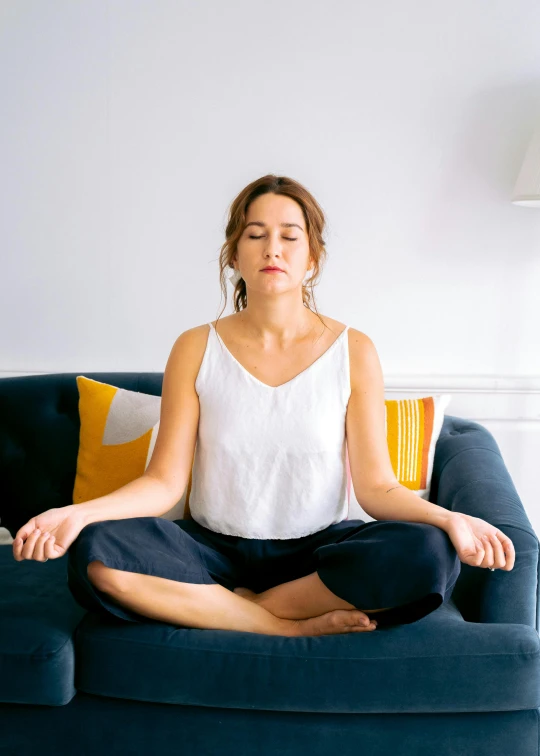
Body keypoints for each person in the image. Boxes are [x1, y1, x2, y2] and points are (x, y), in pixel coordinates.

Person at [12, 174, 463, 636]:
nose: (273, 249)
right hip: (211, 552)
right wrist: (78, 513)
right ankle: (283, 626)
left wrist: (452, 520)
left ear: (313, 258)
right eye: (256, 235)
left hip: (315, 559)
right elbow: (164, 483)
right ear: (234, 253)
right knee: (98, 555)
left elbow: (377, 488)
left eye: (290, 236)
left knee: (430, 553)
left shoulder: (355, 350)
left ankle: (230, 609)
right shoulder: (194, 346)